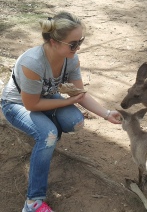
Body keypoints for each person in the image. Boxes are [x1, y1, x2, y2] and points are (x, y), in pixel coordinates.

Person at [1, 11, 121, 212]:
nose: (78, 47)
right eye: (73, 44)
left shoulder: (71, 59)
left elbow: (80, 94)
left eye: (80, 41)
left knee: (75, 122)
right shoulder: (32, 63)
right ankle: (33, 203)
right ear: (54, 42)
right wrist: (67, 102)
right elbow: (30, 105)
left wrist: (107, 114)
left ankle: (44, 138)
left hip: (45, 99)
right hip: (16, 104)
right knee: (48, 134)